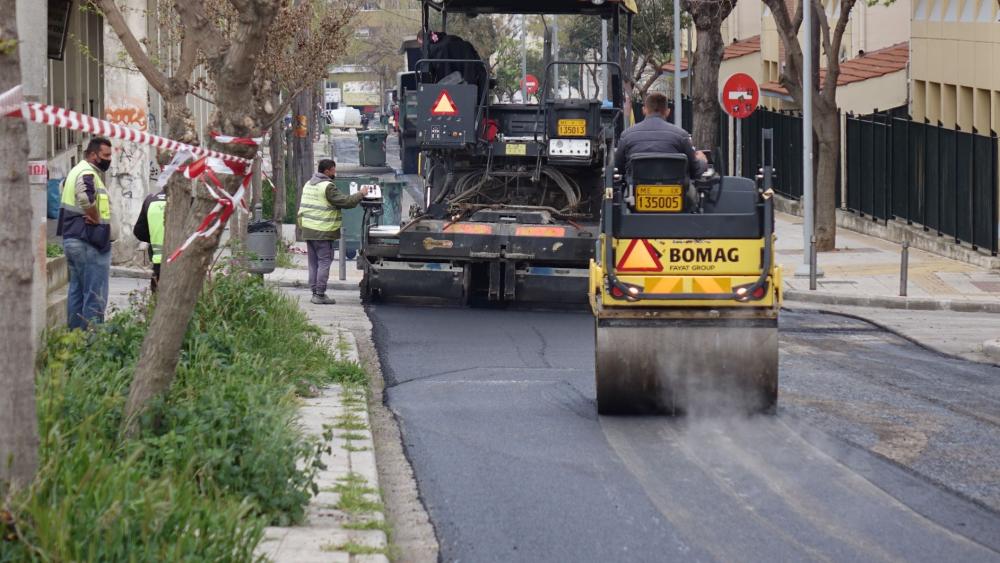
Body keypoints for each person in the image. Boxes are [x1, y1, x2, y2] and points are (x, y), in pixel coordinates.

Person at [58, 136, 115, 330]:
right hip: (90, 241)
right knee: (95, 294)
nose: (109, 159)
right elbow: (83, 195)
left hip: (73, 239)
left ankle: (74, 340)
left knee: (77, 291)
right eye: (105, 155)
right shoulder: (86, 172)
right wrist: (95, 216)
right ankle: (92, 345)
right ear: (93, 155)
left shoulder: (74, 172)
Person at [297, 159, 369, 304]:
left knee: (313, 263)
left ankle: (314, 292)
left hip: (308, 229)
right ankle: (320, 294)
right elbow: (346, 202)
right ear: (327, 170)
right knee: (324, 262)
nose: (335, 172)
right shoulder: (327, 186)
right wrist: (361, 194)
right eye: (333, 170)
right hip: (322, 231)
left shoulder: (308, 184)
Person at [614, 92, 707, 179]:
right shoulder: (681, 135)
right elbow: (695, 171)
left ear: (644, 110)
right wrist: (702, 161)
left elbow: (618, 167)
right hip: (674, 189)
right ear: (667, 111)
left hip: (635, 190)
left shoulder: (627, 135)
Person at [133, 188, 167, 292]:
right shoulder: (187, 201)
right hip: (180, 261)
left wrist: (153, 237)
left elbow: (139, 231)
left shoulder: (150, 199)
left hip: (158, 261)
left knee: (157, 299)